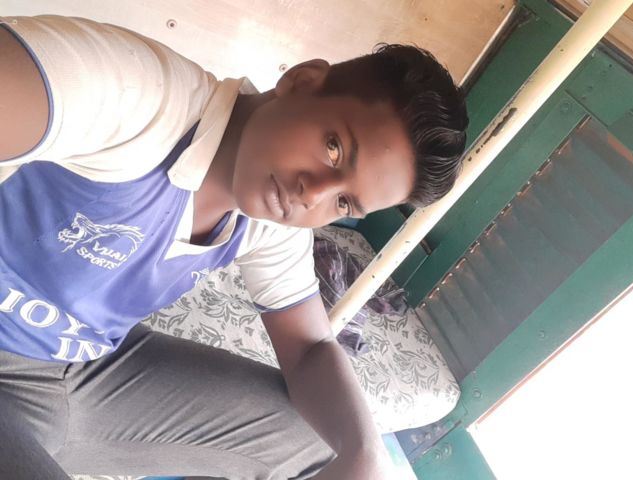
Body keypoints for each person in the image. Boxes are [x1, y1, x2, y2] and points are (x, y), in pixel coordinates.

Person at [0, 14, 468, 480]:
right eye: (333, 148)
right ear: (300, 81)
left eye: (343, 201)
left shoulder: (270, 221)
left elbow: (309, 347)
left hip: (80, 372)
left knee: (325, 447)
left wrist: (365, 452)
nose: (312, 194)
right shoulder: (133, 92)